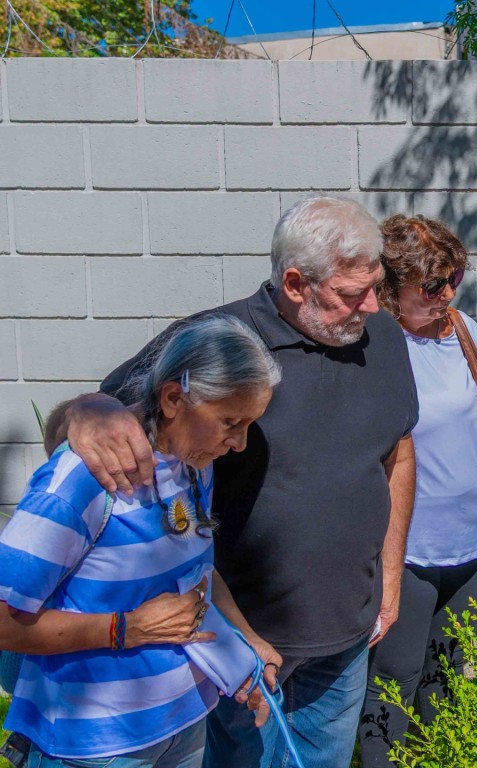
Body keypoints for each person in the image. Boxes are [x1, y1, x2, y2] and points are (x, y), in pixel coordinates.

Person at [53, 198, 419, 768]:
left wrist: (391, 577)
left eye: (376, 286)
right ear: (296, 283)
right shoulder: (218, 342)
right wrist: (82, 412)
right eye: (353, 293)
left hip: (346, 633)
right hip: (231, 642)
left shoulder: (384, 339)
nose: (372, 306)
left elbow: (398, 451)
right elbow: (99, 418)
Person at [0, 315, 282, 768]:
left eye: (249, 423)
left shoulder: (194, 464)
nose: (241, 443)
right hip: (95, 747)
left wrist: (248, 642)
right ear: (173, 398)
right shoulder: (84, 478)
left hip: (184, 724)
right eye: (231, 421)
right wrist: (124, 629)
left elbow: (197, 575)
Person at [357, 215, 477, 766]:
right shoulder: (375, 345)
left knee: (448, 678)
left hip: (473, 538)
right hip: (409, 549)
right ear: (389, 290)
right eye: (432, 285)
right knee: (394, 680)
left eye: (455, 279)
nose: (448, 293)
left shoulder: (466, 330)